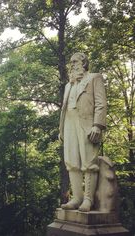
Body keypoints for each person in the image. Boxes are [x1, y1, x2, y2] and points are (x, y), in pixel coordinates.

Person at [59, 52, 107, 212]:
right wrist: (62, 129)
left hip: (86, 124)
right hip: (69, 124)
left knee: (89, 162)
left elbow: (101, 103)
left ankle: (88, 199)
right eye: (70, 62)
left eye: (75, 61)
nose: (72, 64)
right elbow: (65, 109)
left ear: (84, 63)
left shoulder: (94, 78)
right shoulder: (68, 85)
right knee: (72, 162)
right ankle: (77, 198)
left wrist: (98, 125)